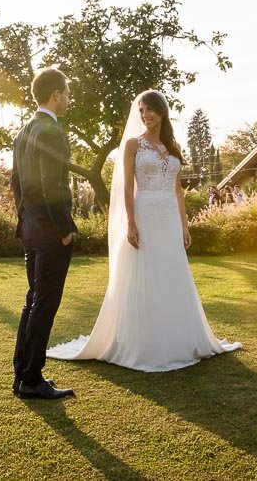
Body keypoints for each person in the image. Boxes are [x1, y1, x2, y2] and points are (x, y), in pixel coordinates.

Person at [47, 91, 241, 372]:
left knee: (171, 274)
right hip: (145, 213)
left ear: (162, 111)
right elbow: (127, 187)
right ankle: (146, 344)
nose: (145, 115)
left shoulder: (173, 146)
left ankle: (180, 340)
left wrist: (185, 225)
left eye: (150, 110)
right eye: (142, 111)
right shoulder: (132, 146)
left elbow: (178, 190)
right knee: (147, 274)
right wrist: (131, 223)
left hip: (169, 218)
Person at [10, 68, 77, 399]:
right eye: (66, 92)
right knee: (44, 303)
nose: (68, 98)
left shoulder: (25, 130)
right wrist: (65, 229)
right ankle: (32, 378)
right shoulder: (50, 130)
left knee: (33, 300)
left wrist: (24, 220)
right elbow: (52, 185)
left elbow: (16, 184)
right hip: (51, 233)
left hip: (30, 230)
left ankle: (22, 373)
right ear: (55, 95)